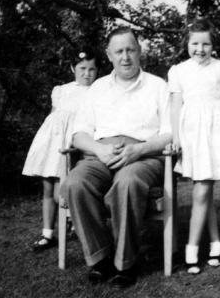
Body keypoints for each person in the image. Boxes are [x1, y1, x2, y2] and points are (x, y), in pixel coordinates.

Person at [62, 27, 171, 288]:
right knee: (75, 183)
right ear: (109, 55)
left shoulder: (158, 86)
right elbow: (79, 134)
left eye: (130, 50)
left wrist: (139, 150)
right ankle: (100, 257)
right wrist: (99, 150)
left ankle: (125, 262)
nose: (125, 57)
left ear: (140, 51)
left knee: (127, 182)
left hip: (144, 155)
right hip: (101, 153)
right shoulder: (97, 88)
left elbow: (171, 134)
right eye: (119, 51)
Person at [168, 18, 220, 274]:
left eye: (205, 44)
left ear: (213, 45)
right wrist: (175, 135)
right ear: (187, 43)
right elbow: (175, 106)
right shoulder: (178, 71)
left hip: (216, 133)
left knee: (201, 190)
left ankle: (192, 250)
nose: (200, 49)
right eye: (195, 43)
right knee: (203, 190)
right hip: (190, 133)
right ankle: (216, 242)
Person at [22, 49, 99, 251]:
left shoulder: (98, 91)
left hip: (74, 145)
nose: (86, 74)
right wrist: (46, 144)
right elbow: (53, 117)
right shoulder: (61, 90)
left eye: (92, 69)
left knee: (63, 189)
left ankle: (74, 222)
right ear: (73, 68)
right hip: (52, 143)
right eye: (82, 69)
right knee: (48, 187)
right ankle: (47, 233)